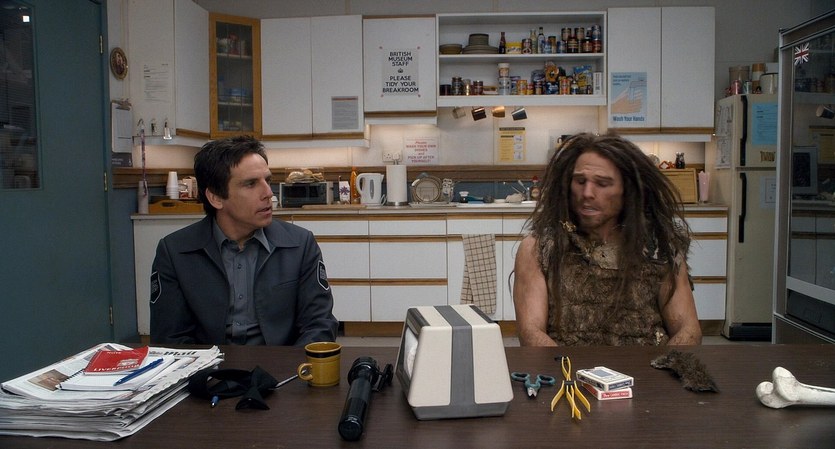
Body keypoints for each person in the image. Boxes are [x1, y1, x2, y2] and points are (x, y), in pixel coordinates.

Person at [513, 133, 702, 346]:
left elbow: (688, 331)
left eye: (602, 183)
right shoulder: (539, 248)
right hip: (567, 364)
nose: (587, 193)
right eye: (580, 181)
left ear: (626, 191)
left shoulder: (659, 248)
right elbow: (531, 333)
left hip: (647, 364)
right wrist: (568, 367)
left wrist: (664, 365)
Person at [150, 135, 338, 346]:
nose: (268, 193)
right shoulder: (175, 252)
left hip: (282, 364)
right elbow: (170, 339)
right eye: (250, 184)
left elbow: (319, 325)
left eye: (267, 181)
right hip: (209, 365)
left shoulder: (300, 245)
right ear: (215, 197)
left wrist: (293, 365)